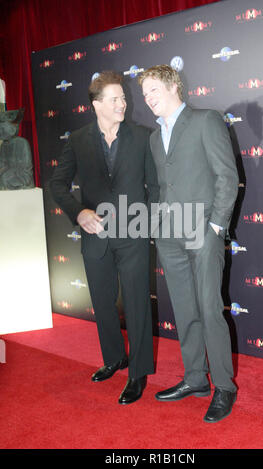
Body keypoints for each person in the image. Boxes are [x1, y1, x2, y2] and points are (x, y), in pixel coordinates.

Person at [50, 71, 159, 405]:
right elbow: (57, 184)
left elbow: (154, 187)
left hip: (133, 234)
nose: (122, 104)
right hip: (95, 235)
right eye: (115, 99)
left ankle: (138, 373)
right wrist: (79, 213)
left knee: (138, 302)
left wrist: (148, 223)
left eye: (124, 98)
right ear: (96, 104)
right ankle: (114, 358)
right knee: (102, 300)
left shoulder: (143, 136)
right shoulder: (78, 140)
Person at [139, 65, 239, 422]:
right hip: (169, 235)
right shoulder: (154, 138)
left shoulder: (205, 120)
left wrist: (215, 226)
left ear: (172, 86)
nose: (148, 99)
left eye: (153, 90)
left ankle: (224, 386)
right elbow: (161, 188)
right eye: (144, 93)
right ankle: (196, 378)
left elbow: (227, 176)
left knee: (210, 309)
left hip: (203, 232)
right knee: (184, 310)